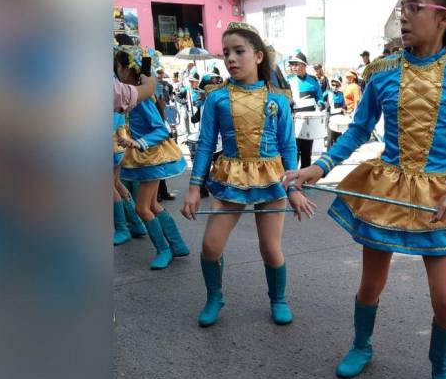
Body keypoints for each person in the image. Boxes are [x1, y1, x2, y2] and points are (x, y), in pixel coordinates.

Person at [283, 0, 446, 379]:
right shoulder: (381, 72)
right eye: (402, 7)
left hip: (440, 194)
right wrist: (318, 169)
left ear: (443, 18)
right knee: (369, 286)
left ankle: (444, 366)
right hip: (386, 189)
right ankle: (362, 345)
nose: (404, 15)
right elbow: (359, 130)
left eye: (415, 7)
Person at [180, 22, 315, 328]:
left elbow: (288, 146)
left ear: (258, 56)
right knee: (210, 247)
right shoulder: (216, 97)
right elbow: (204, 144)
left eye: (239, 51)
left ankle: (278, 299)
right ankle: (214, 297)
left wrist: (294, 188)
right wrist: (193, 187)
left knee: (270, 248)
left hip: (271, 178)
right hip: (230, 178)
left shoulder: (277, 98)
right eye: (226, 52)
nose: (230, 58)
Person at [114, 50, 190, 270]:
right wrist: (126, 138)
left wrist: (139, 143)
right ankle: (177, 245)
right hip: (145, 158)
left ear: (126, 69)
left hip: (151, 158)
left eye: (117, 68)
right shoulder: (134, 96)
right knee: (153, 204)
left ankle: (164, 250)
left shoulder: (142, 99)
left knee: (142, 208)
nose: (115, 73)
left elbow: (162, 130)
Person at [113, 111, 148, 245]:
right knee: (116, 184)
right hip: (119, 147)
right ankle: (136, 224)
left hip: (113, 147)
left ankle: (122, 229)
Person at [286, 52, 322, 168]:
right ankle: (293, 177)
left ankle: (304, 180)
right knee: (294, 150)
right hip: (295, 120)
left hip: (309, 121)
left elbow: (320, 97)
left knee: (307, 151)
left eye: (296, 64)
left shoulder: (313, 80)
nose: (293, 67)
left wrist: (321, 104)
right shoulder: (289, 81)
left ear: (304, 65)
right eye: (291, 65)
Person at [323, 77, 347, 147]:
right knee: (330, 137)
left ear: (339, 86)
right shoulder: (327, 92)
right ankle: (328, 154)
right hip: (330, 116)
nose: (335, 87)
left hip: (339, 117)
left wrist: (344, 109)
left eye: (337, 85)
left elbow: (344, 105)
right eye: (333, 84)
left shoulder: (341, 94)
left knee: (338, 137)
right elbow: (320, 99)